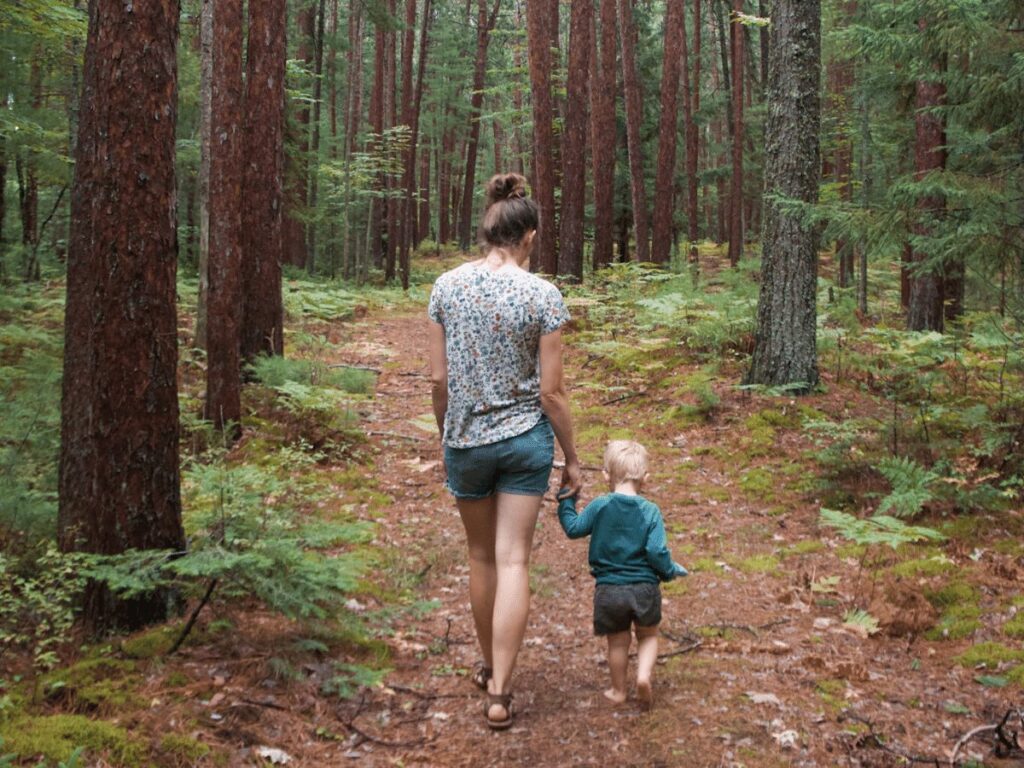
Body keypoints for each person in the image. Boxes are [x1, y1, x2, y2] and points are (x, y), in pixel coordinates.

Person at [427, 172, 582, 730]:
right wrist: (574, 459)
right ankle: (500, 691)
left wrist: (448, 431)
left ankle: (489, 664)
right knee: (514, 557)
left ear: (487, 229)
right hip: (525, 444)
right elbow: (552, 392)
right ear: (529, 235)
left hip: (466, 441)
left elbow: (439, 381)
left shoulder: (446, 287)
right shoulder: (543, 294)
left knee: (481, 557)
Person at [557, 439, 687, 709]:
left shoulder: (600, 505)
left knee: (617, 642)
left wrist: (566, 499)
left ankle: (618, 691)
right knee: (648, 635)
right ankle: (642, 676)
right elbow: (656, 550)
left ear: (606, 475)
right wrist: (669, 570)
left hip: (609, 590)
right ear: (646, 479)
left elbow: (572, 528)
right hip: (644, 588)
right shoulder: (650, 511)